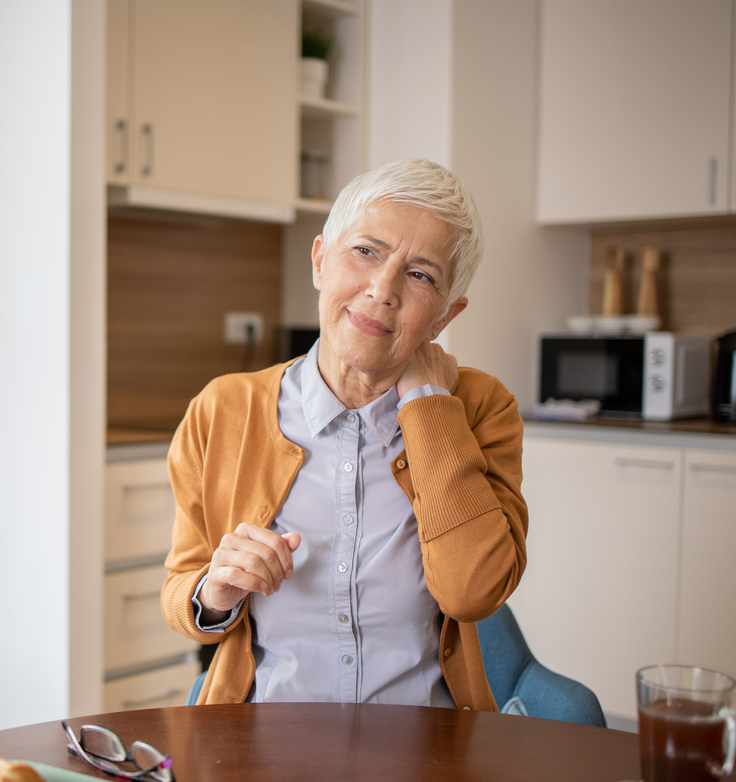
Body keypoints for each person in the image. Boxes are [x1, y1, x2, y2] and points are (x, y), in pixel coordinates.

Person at [161, 159, 527, 711]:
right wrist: (214, 593)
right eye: (366, 251)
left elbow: (473, 591)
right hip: (260, 752)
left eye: (421, 274)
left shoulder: (481, 409)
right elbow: (181, 589)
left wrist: (429, 407)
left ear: (446, 317)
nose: (383, 290)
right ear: (319, 260)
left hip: (427, 763)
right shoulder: (222, 409)